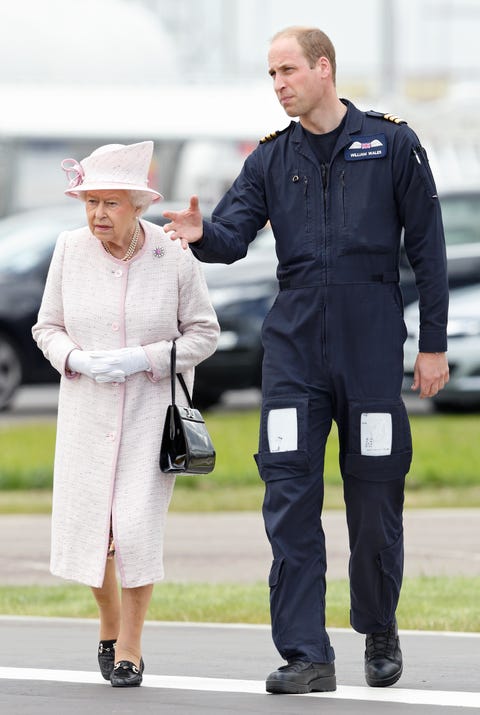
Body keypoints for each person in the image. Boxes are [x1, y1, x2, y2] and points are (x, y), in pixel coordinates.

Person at [163, 27, 449, 694]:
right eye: (271, 73)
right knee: (289, 495)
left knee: (375, 495)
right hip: (294, 345)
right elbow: (232, 235)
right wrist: (205, 236)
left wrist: (432, 342)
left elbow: (429, 251)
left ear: (324, 69)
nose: (279, 83)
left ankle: (378, 627)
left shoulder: (393, 144)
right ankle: (306, 653)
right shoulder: (269, 160)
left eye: (288, 69)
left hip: (372, 339)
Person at [32, 141, 219, 688]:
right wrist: (78, 359)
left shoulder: (173, 253)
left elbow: (205, 334)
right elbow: (47, 327)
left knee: (133, 530)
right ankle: (109, 621)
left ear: (138, 204)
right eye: (90, 203)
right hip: (87, 412)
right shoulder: (69, 249)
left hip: (148, 414)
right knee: (93, 532)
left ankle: (131, 645)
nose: (98, 215)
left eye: (110, 204)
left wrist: (146, 358)